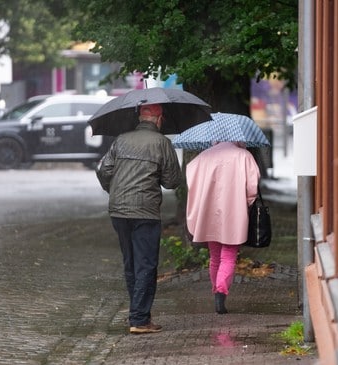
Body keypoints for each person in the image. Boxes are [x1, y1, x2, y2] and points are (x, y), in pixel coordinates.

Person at [96, 103, 182, 334]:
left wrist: (113, 189)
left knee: (131, 264)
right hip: (145, 211)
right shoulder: (162, 143)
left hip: (119, 210)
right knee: (146, 264)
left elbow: (103, 170)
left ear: (141, 117)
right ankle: (139, 319)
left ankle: (139, 315)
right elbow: (172, 181)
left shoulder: (121, 139)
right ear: (158, 118)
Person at [185, 141, 260, 314]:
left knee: (215, 257)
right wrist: (245, 204)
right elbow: (252, 188)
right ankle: (221, 291)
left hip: (209, 211)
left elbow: (191, 179)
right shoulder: (244, 156)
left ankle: (216, 291)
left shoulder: (204, 156)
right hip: (234, 211)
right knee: (229, 255)